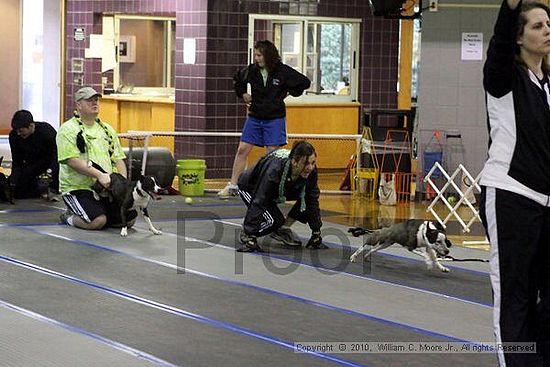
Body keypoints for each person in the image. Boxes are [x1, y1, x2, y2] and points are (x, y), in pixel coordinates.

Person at [481, 1, 550, 366]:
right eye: (537, 26)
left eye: (548, 24)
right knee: (515, 295)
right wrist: (509, 8)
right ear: (519, 37)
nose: (546, 30)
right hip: (510, 194)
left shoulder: (547, 85)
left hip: (544, 202)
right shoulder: (503, 78)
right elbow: (499, 43)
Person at [218, 40, 311, 199]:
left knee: (272, 155)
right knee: (242, 150)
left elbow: (304, 82)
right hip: (255, 116)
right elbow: (238, 79)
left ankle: (271, 190)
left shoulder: (282, 71)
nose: (256, 58)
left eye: (259, 55)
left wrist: (289, 91)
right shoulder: (252, 71)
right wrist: (243, 94)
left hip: (274, 118)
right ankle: (233, 185)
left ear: (268, 55)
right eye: (255, 55)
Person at [56, 86, 136, 230]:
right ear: (78, 105)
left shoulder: (107, 129)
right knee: (98, 221)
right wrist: (99, 175)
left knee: (129, 220)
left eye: (96, 100)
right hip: (78, 188)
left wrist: (121, 182)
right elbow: (72, 160)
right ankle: (68, 217)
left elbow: (118, 158)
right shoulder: (68, 130)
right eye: (89, 101)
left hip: (106, 187)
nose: (94, 103)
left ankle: (105, 213)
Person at [236, 140, 326, 252]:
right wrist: (251, 234)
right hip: (250, 187)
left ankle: (282, 229)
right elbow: (260, 199)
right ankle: (247, 232)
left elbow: (312, 199)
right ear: (294, 161)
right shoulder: (274, 170)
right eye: (306, 163)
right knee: (274, 221)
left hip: (278, 189)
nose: (310, 167)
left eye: (313, 163)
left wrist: (316, 231)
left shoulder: (310, 172)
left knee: (307, 199)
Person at [8, 110, 59, 199]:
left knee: (47, 185)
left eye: (21, 131)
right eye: (17, 131)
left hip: (49, 163)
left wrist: (49, 172)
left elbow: (57, 155)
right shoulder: (14, 136)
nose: (18, 134)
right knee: (19, 191)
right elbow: (17, 160)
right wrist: (13, 180)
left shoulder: (46, 131)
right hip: (31, 164)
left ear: (31, 126)